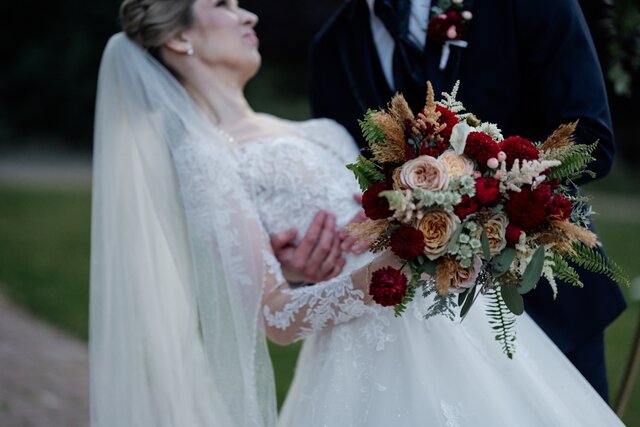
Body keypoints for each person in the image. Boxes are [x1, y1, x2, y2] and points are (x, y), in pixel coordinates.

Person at [91, 0, 623, 425]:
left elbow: (587, 140)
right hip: (379, 344)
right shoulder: (215, 149)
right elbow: (279, 304)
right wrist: (318, 272)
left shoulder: (310, 130)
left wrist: (474, 197)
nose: (248, 13)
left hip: (513, 312)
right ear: (179, 37)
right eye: (224, 4)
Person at [307, 0, 627, 401]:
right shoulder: (332, 47)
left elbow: (591, 140)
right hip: (418, 338)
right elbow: (348, 179)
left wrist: (473, 186)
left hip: (546, 306)